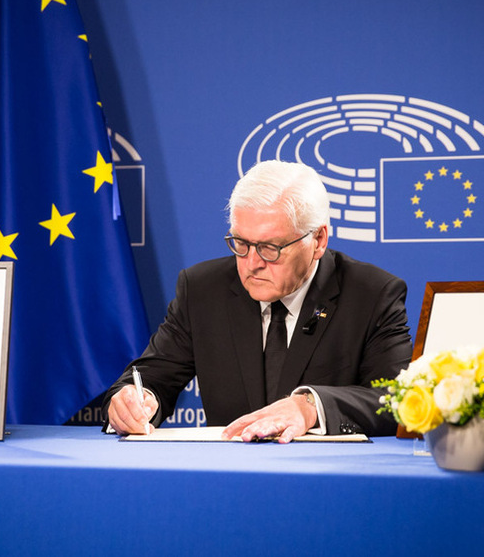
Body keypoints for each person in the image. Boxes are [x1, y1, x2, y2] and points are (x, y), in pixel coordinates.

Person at [104, 160, 412, 442]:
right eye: (240, 243)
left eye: (270, 247)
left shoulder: (372, 295)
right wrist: (132, 402)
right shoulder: (202, 290)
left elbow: (396, 401)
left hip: (329, 481)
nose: (252, 263)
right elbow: (150, 379)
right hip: (230, 481)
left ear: (318, 240)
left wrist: (310, 407)